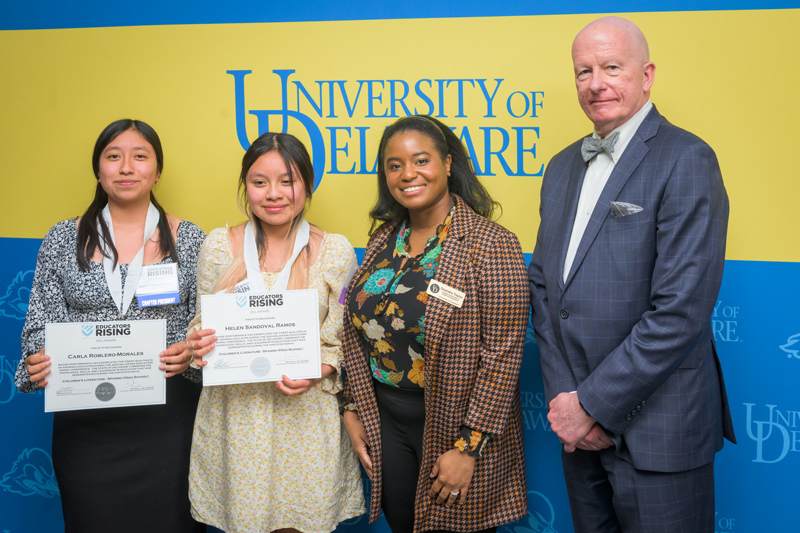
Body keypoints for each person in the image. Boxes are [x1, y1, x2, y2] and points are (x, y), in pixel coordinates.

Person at [527, 16, 736, 533]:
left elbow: (680, 310)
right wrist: (567, 402)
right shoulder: (559, 167)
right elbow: (545, 288)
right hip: (577, 429)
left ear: (646, 75)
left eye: (611, 67)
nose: (595, 83)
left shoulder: (687, 158)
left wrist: (594, 405)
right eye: (583, 71)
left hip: (658, 431)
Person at [15, 118, 214, 532]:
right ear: (98, 170)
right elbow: (38, 324)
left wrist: (189, 352)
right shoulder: (62, 239)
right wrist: (37, 358)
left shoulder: (192, 238)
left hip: (167, 422)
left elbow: (206, 324)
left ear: (157, 172)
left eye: (140, 157)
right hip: (86, 424)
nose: (126, 167)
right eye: (113, 156)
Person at [341, 115, 529, 533]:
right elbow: (356, 334)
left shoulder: (490, 243)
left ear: (447, 163)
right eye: (394, 165)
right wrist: (352, 407)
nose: (408, 174)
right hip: (386, 421)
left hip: (454, 428)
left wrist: (469, 447)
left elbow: (502, 357)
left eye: (421, 160)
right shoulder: (382, 241)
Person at [187, 131, 365, 533]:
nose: (274, 193)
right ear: (245, 186)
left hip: (304, 418)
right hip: (237, 415)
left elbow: (342, 342)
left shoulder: (334, 251)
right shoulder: (219, 246)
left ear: (307, 184)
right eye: (260, 182)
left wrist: (318, 369)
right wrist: (197, 342)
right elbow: (200, 323)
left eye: (288, 181)